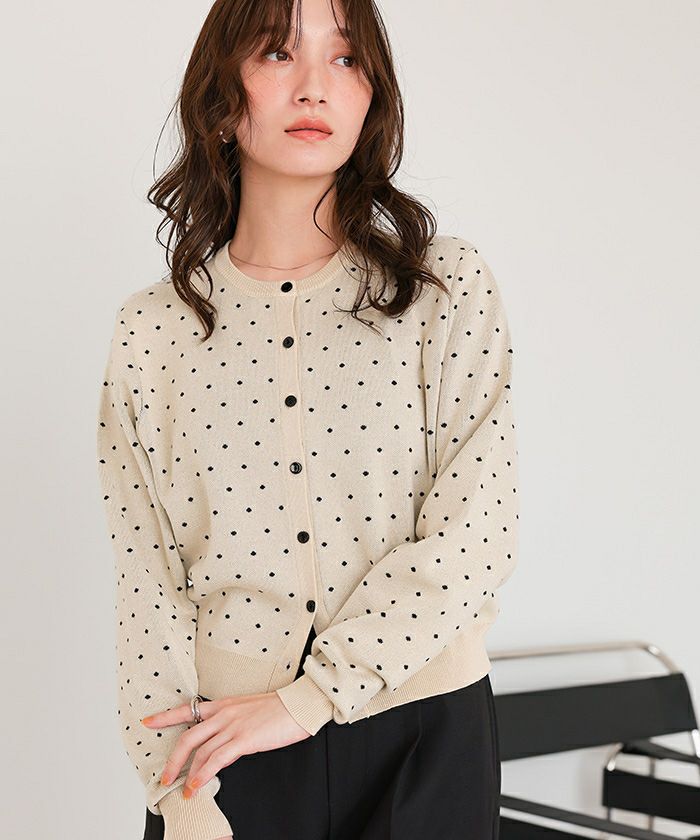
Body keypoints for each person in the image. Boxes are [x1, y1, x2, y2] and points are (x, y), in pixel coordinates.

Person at [95, 1, 519, 838]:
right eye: (278, 53)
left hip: (424, 735)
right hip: (226, 753)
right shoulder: (153, 333)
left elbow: (478, 534)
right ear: (221, 96)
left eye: (347, 58)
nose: (316, 87)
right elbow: (147, 585)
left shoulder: (444, 290)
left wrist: (310, 698)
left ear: (373, 97)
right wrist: (178, 797)